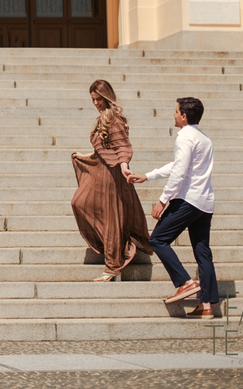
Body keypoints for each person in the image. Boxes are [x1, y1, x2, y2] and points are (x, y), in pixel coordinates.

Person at [129, 96, 218, 319]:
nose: (174, 114)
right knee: (203, 253)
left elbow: (179, 172)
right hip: (204, 203)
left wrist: (163, 200)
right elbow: (179, 165)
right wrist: (148, 176)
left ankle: (185, 282)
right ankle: (206, 306)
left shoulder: (185, 136)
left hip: (188, 199)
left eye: (176, 111)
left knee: (158, 239)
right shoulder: (203, 138)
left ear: (184, 116)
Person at [70, 80, 153, 282]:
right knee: (80, 202)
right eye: (93, 99)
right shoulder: (104, 118)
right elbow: (107, 148)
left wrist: (124, 165)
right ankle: (111, 253)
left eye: (99, 99)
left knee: (111, 218)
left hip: (113, 175)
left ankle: (112, 266)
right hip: (103, 171)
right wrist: (86, 155)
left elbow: (122, 145)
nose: (96, 103)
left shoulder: (113, 118)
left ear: (107, 97)